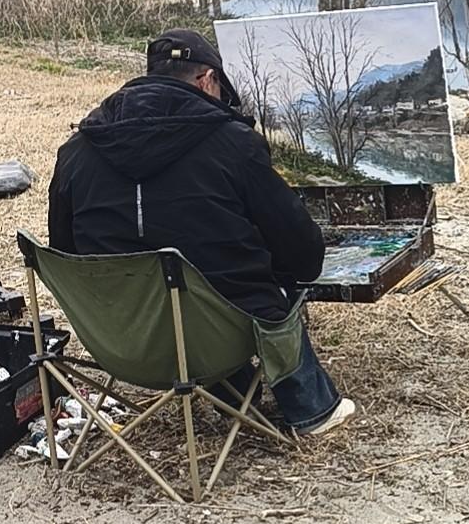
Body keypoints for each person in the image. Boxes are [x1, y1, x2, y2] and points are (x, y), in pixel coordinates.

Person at [47, 28, 354, 435]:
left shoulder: (76, 151)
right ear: (207, 80)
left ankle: (238, 398)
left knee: (208, 284)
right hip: (216, 343)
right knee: (271, 285)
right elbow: (304, 255)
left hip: (119, 343)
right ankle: (312, 412)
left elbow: (65, 253)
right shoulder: (233, 143)